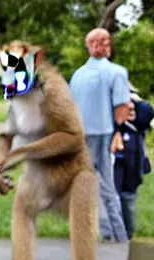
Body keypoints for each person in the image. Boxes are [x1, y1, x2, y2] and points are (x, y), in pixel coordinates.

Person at [69, 27, 129, 243]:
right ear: (103, 45)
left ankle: (103, 230)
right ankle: (117, 234)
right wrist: (119, 134)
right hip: (102, 133)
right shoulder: (117, 73)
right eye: (104, 42)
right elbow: (121, 108)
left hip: (80, 135)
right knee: (105, 184)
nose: (105, 46)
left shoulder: (77, 75)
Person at [113, 93, 154, 239]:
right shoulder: (115, 124)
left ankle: (128, 234)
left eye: (132, 110)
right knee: (115, 197)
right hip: (117, 163)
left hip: (133, 165)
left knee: (128, 198)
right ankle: (118, 233)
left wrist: (134, 100)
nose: (129, 112)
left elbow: (147, 112)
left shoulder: (139, 123)